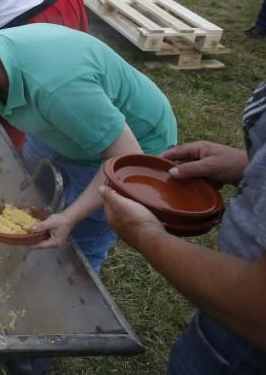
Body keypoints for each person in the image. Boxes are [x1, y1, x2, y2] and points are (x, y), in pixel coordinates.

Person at [0, 17, 177, 273]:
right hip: (59, 127)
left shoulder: (56, 87)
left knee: (82, 233)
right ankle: (29, 264)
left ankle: (74, 291)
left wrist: (71, 216)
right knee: (32, 197)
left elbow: (126, 158)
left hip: (131, 145)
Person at [99, 81, 266, 373]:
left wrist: (144, 233)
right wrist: (248, 164)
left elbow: (258, 307)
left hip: (243, 344)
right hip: (223, 316)